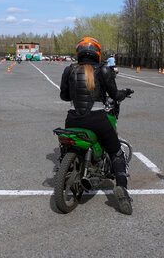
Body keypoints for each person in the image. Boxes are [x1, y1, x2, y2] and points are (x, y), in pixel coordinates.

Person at [60, 37, 134, 215]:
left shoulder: (69, 70)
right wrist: (125, 93)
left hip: (73, 118)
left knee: (66, 142)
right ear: (97, 53)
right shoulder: (104, 70)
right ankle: (122, 189)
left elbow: (64, 96)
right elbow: (114, 95)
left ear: (79, 53)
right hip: (97, 119)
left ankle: (63, 165)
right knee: (116, 151)